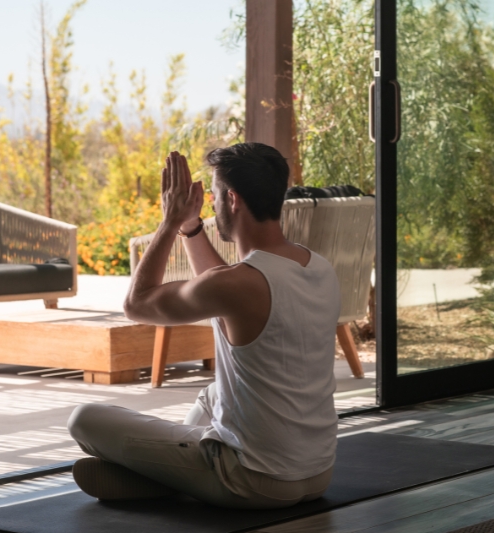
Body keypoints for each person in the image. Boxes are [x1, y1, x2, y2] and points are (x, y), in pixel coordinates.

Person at [67, 142, 341, 509]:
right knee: (215, 395)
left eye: (213, 195)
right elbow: (223, 284)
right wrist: (191, 228)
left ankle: (166, 475)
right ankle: (176, 472)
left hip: (253, 480)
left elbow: (137, 304)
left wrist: (168, 222)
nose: (210, 203)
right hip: (317, 472)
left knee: (83, 419)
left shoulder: (237, 284)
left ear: (232, 199)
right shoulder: (319, 267)